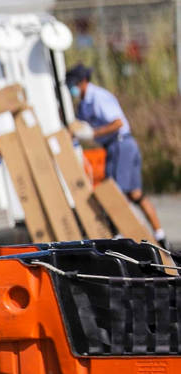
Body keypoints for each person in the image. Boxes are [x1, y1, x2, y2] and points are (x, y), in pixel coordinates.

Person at [66, 63, 167, 247]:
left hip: (121, 145)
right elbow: (78, 125)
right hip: (118, 146)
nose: (71, 89)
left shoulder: (98, 97)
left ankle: (124, 237)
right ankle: (160, 237)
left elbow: (118, 122)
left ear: (82, 82)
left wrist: (94, 134)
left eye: (72, 85)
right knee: (135, 194)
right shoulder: (84, 103)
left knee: (115, 194)